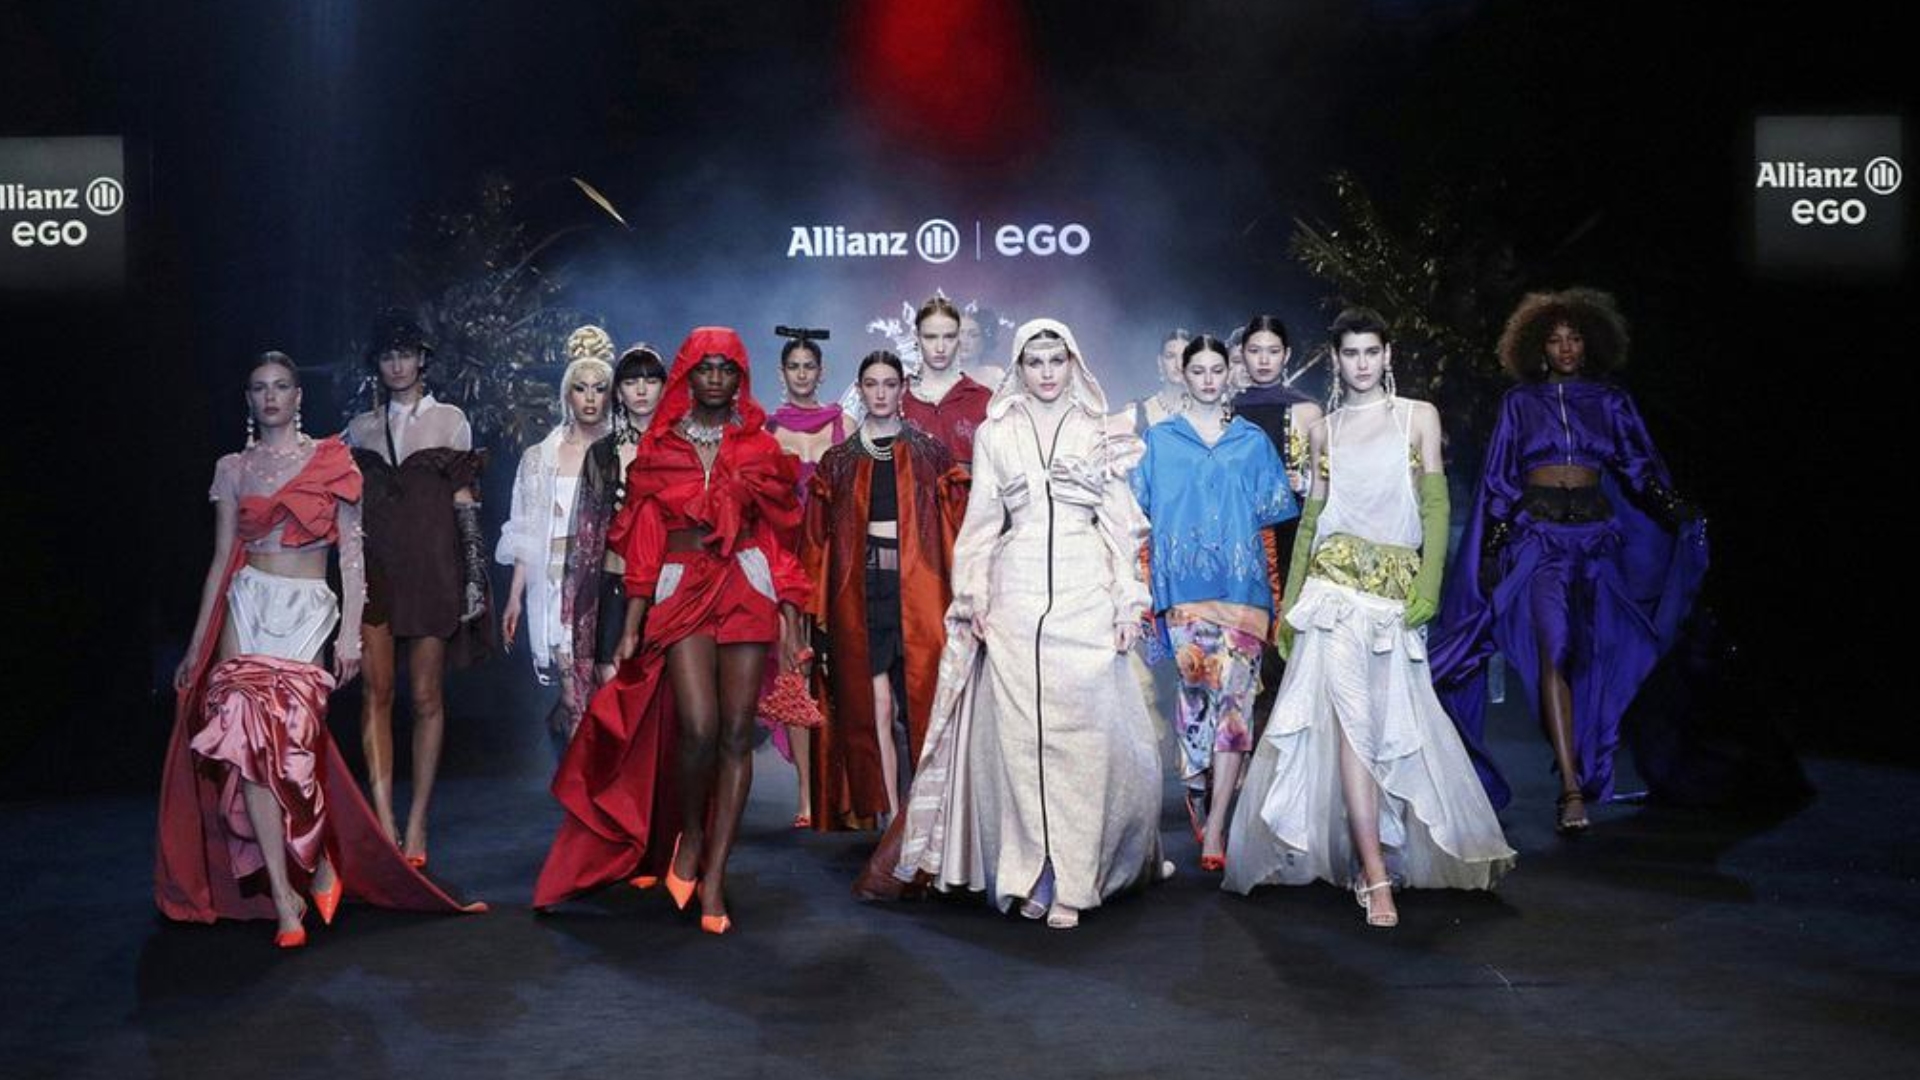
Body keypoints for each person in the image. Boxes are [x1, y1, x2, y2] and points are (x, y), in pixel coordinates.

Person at [158, 352, 483, 947]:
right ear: (248, 399)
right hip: (247, 602)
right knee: (247, 745)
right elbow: (220, 558)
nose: (271, 396)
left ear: (298, 396)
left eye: (282, 385)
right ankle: (285, 898)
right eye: (260, 387)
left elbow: (352, 557)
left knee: (294, 750)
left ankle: (319, 860)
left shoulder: (332, 460)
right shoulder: (233, 467)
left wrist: (350, 632)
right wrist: (196, 642)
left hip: (308, 608)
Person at [861, 319, 1169, 930]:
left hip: (1085, 591)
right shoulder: (997, 432)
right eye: (1035, 361)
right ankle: (1036, 872)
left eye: (1057, 359)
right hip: (1017, 595)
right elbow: (980, 522)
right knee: (1023, 745)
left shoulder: (1098, 430)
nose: (1047, 372)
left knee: (1083, 743)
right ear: (1019, 368)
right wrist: (972, 595)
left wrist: (1128, 602)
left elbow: (1123, 525)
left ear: (1073, 363)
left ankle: (1076, 877)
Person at [1225, 309, 1514, 927]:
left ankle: (1373, 855)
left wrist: (1430, 584)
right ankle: (1376, 874)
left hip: (1395, 596)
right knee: (1354, 730)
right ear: (1336, 360)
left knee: (1390, 732)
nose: (1361, 363)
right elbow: (1311, 520)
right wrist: (1290, 608)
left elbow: (1435, 507)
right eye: (1350, 353)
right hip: (1332, 592)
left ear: (1387, 356)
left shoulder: (1417, 416)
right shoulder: (1323, 430)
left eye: (1370, 352)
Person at [533, 327, 808, 935]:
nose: (715, 378)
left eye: (726, 369)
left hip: (745, 583)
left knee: (736, 734)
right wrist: (631, 625)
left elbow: (779, 533)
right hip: (682, 586)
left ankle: (714, 877)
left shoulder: (760, 446)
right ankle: (690, 836)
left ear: (740, 378)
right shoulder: (660, 446)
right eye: (705, 368)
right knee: (698, 727)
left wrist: (790, 612)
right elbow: (643, 538)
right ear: (687, 374)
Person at [1430, 288, 1708, 832]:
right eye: (1555, 339)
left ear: (1590, 343)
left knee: (1593, 654)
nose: (1565, 347)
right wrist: (1492, 547)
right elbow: (1500, 479)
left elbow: (1637, 467)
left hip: (1597, 540)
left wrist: (1675, 509)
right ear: (1537, 345)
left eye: (1575, 337)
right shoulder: (1519, 403)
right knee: (1554, 650)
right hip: (1539, 541)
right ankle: (1571, 790)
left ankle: (1584, 756)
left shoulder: (1610, 402)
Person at [1131, 334, 1298, 871]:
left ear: (1230, 375)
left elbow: (1273, 520)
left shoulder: (1252, 442)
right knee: (1196, 702)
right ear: (1183, 375)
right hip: (1185, 593)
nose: (1207, 379)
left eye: (1216, 370)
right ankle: (1199, 787)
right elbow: (1138, 516)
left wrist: (1276, 599)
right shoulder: (1159, 442)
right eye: (1197, 370)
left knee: (1235, 708)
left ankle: (1217, 826)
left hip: (1244, 591)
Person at [343, 311, 489, 867]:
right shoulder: (359, 428)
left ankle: (418, 821)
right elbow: (348, 511)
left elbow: (465, 504)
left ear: (423, 358)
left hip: (432, 569)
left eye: (406, 353)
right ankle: (384, 822)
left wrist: (474, 578)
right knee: (375, 693)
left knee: (427, 697)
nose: (398, 364)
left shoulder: (451, 421)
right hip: (377, 571)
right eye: (388, 355)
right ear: (377, 364)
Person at [802, 351, 964, 829]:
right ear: (860, 389)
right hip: (860, 592)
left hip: (919, 590)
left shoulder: (931, 454)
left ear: (902, 389)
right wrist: (813, 610)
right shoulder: (839, 461)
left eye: (889, 384)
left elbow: (956, 529)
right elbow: (817, 542)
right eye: (871, 384)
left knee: (923, 702)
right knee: (877, 705)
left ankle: (930, 815)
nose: (880, 393)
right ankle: (893, 816)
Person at [499, 326, 614, 751]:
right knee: (573, 696)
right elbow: (526, 529)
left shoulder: (624, 452)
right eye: (581, 388)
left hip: (609, 584)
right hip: (555, 587)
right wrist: (515, 596)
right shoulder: (539, 459)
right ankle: (583, 784)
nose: (590, 398)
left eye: (599, 388)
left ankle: (604, 782)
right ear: (567, 394)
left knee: (607, 695)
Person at [763, 331, 848, 825]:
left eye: (808, 366)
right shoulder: (767, 430)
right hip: (785, 561)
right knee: (793, 672)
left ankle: (840, 788)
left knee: (837, 671)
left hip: (833, 558)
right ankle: (805, 796)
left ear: (821, 372)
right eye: (793, 366)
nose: (801, 374)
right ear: (782, 373)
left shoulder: (844, 423)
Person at [1230, 315, 1322, 742]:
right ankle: (1239, 749)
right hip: (1237, 540)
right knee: (1238, 644)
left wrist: (1302, 482)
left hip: (1290, 537)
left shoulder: (1307, 410)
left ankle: (1282, 746)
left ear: (1287, 355)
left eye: (1272, 351)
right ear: (1241, 355)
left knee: (1284, 643)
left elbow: (1326, 482)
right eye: (1255, 351)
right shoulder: (1226, 409)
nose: (1263, 360)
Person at [568, 342, 667, 736]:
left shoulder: (684, 447)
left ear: (665, 387)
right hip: (612, 583)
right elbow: (586, 533)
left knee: (664, 694)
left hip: (668, 586)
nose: (641, 389)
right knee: (611, 686)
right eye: (630, 381)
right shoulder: (602, 453)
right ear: (619, 392)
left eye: (650, 380)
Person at [901, 295, 994, 466]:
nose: (940, 348)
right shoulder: (897, 397)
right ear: (916, 337)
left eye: (949, 337)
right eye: (930, 337)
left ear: (959, 338)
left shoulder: (983, 399)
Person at [1111, 329, 1193, 438]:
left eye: (1184, 357)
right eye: (1170, 356)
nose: (1178, 364)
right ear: (1160, 362)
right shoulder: (1136, 412)